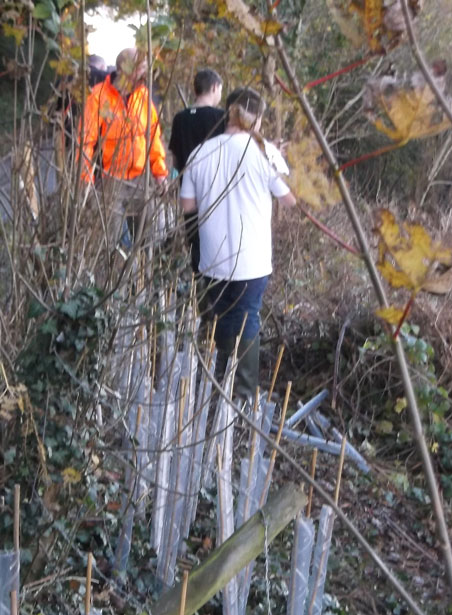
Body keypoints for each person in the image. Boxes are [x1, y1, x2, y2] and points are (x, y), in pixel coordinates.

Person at [180, 87, 296, 399]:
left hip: (212, 257)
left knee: (217, 316)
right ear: (257, 118)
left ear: (226, 112)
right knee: (246, 318)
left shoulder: (199, 153)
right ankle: (242, 394)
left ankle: (215, 388)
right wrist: (280, 160)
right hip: (253, 258)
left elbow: (187, 207)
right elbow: (290, 200)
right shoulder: (265, 153)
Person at [78, 47, 169, 251]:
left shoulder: (144, 96)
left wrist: (160, 173)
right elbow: (86, 141)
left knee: (157, 229)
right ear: (123, 69)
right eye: (142, 69)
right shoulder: (99, 96)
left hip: (141, 177)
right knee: (112, 239)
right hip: (110, 178)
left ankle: (146, 273)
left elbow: (153, 138)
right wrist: (86, 181)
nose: (147, 74)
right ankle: (120, 274)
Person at [169, 68, 224, 271]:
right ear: (214, 87)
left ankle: (198, 286)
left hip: (188, 194)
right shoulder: (221, 118)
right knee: (217, 245)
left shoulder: (180, 118)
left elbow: (175, 159)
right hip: (217, 191)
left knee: (196, 245)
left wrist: (174, 179)